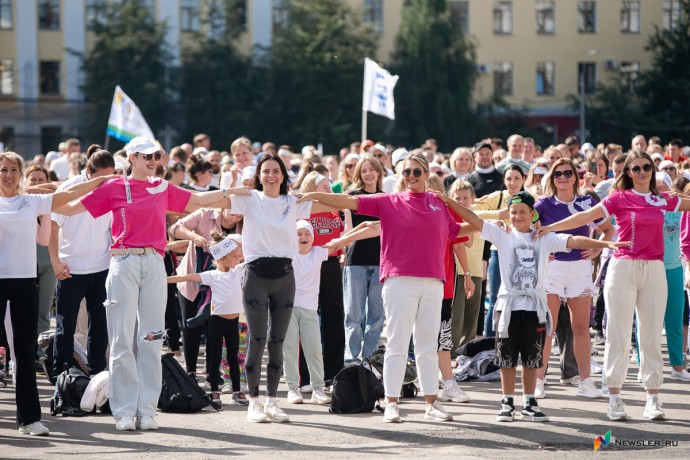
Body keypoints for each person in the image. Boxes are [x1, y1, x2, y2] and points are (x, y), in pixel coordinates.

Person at [57, 136, 242, 431]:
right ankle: (124, 411)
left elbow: (198, 199)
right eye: (146, 156)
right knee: (121, 341)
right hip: (123, 262)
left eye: (155, 155)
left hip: (155, 263)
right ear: (132, 158)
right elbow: (68, 208)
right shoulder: (114, 186)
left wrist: (232, 191)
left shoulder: (162, 186)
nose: (152, 161)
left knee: (152, 339)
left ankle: (147, 410)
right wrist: (91, 184)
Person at [298, 151, 474, 423]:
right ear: (400, 176)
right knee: (397, 342)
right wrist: (316, 196)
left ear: (427, 175)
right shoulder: (390, 201)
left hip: (434, 281)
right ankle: (391, 402)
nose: (411, 177)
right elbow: (350, 200)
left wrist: (489, 222)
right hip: (399, 279)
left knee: (427, 345)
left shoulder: (439, 205)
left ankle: (432, 403)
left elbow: (461, 229)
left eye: (417, 172)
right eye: (406, 172)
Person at [438, 190, 627, 422]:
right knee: (506, 358)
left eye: (522, 212)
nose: (517, 217)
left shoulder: (544, 237)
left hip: (535, 307)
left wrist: (605, 242)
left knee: (531, 358)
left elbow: (573, 240)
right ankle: (507, 402)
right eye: (513, 212)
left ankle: (529, 402)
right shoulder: (501, 234)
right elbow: (473, 218)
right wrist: (448, 201)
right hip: (507, 306)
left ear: (532, 213)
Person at [534, 150, 690, 421]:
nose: (642, 172)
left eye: (646, 167)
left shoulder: (661, 198)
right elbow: (585, 217)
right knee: (617, 333)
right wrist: (550, 228)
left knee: (651, 335)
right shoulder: (618, 197)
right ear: (628, 172)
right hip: (623, 266)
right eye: (637, 168)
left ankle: (652, 398)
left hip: (654, 267)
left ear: (652, 171)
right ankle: (615, 397)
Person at [0, 151, 113, 436]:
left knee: (25, 351)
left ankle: (29, 419)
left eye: (14, 170)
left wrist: (101, 181)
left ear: (20, 174)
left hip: (25, 282)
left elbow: (68, 194)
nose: (9, 176)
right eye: (3, 170)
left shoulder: (31, 202)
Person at [227, 152, 336, 423]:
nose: (271, 175)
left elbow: (329, 203)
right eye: (266, 171)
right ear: (259, 176)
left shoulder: (293, 202)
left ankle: (272, 402)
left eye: (276, 171)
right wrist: (231, 184)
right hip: (255, 276)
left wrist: (351, 201)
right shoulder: (250, 199)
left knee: (278, 341)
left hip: (285, 277)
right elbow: (219, 208)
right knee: (258, 338)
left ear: (283, 176)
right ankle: (254, 402)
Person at [533, 158, 614, 399]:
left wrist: (598, 249)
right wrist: (541, 252)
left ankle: (585, 382)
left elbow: (608, 230)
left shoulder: (587, 201)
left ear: (575, 178)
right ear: (552, 178)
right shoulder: (543, 203)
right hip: (553, 270)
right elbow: (528, 231)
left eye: (568, 173)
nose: (563, 177)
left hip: (580, 268)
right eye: (558, 173)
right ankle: (538, 381)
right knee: (548, 326)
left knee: (581, 327)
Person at [49, 147, 115, 379]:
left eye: (111, 177)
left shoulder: (111, 190)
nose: (106, 183)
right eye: (101, 178)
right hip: (71, 267)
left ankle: (97, 375)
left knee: (100, 327)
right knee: (65, 327)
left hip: (102, 267)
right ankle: (62, 376)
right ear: (88, 171)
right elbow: (53, 227)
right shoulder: (69, 188)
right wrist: (55, 260)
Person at [167, 232, 249, 405]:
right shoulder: (212, 275)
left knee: (233, 359)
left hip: (234, 323)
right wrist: (160, 279)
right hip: (217, 323)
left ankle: (237, 391)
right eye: (234, 257)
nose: (238, 259)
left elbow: (254, 259)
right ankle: (214, 392)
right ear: (221, 259)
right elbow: (186, 277)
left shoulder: (239, 271)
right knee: (215, 359)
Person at [170, 207, 243, 380]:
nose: (236, 218)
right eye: (233, 213)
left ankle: (212, 371)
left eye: (240, 215)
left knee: (215, 326)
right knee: (191, 326)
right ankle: (191, 371)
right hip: (193, 279)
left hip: (223, 284)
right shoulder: (204, 214)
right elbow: (175, 228)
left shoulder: (243, 224)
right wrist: (194, 237)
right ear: (223, 207)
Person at [473, 165, 530, 337]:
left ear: (523, 179)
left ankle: (517, 342)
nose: (513, 183)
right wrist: (496, 217)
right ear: (503, 181)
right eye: (509, 179)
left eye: (517, 178)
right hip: (499, 252)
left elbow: (543, 215)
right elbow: (473, 210)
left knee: (523, 300)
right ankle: (490, 343)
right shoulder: (497, 197)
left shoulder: (531, 198)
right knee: (496, 299)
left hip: (525, 254)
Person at [300, 172, 345, 387]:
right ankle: (306, 376)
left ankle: (333, 372)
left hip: (331, 264)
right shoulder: (303, 209)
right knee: (307, 318)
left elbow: (343, 235)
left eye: (329, 187)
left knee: (334, 318)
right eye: (325, 187)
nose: (329, 190)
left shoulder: (335, 210)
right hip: (308, 264)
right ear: (312, 188)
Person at [341, 157, 385, 365]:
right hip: (355, 261)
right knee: (353, 315)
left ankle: (370, 358)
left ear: (378, 172)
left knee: (377, 317)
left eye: (371, 170)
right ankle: (351, 359)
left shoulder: (387, 198)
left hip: (381, 262)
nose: (368, 174)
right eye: (364, 170)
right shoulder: (352, 197)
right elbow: (346, 230)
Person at [285, 221, 333, 405]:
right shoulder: (286, 253)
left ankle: (318, 389)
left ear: (313, 237)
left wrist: (351, 217)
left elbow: (344, 240)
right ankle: (292, 388)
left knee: (314, 349)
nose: (303, 237)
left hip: (310, 308)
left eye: (307, 234)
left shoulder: (319, 253)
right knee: (289, 349)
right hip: (287, 307)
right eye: (299, 234)